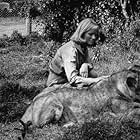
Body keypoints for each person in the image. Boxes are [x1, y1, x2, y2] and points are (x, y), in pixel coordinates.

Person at [46, 18, 108, 88]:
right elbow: (73, 79)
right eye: (90, 34)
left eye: (96, 35)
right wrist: (97, 80)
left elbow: (93, 73)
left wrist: (86, 65)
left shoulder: (83, 48)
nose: (94, 37)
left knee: (92, 75)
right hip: (57, 86)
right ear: (82, 33)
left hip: (68, 84)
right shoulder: (70, 49)